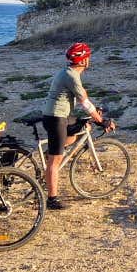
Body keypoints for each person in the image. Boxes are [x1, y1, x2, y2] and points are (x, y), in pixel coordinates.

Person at [40, 42, 115, 210]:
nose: (89, 59)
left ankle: (49, 152)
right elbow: (84, 102)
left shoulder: (69, 72)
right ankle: (52, 200)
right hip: (56, 118)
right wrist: (101, 121)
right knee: (55, 161)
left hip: (60, 116)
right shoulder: (72, 76)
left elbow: (83, 95)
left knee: (82, 128)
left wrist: (94, 113)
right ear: (83, 61)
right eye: (88, 57)